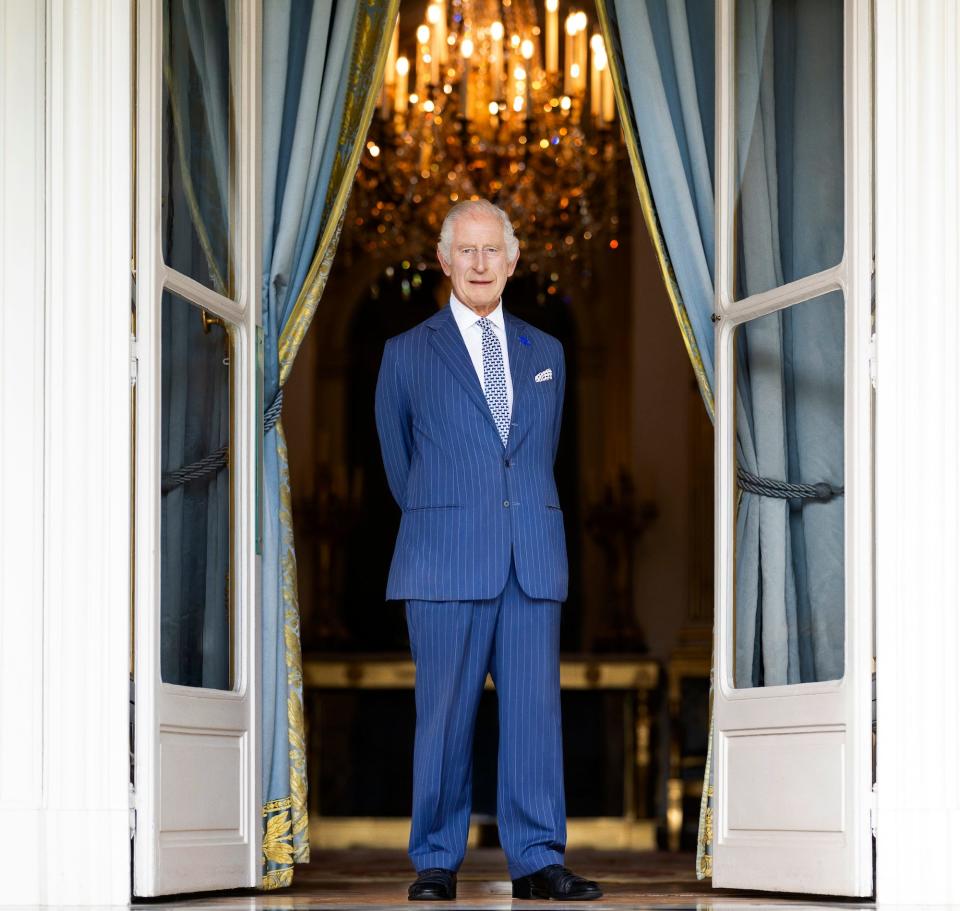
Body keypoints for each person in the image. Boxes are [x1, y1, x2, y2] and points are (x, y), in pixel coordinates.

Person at [375, 199, 602, 902]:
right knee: (443, 716)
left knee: (535, 714)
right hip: (443, 559)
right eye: (465, 251)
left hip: (530, 558)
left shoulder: (548, 353)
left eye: (491, 251)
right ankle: (437, 859)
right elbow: (396, 461)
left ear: (512, 260)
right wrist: (452, 516)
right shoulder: (407, 353)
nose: (479, 264)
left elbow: (539, 454)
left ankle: (536, 858)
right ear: (443, 261)